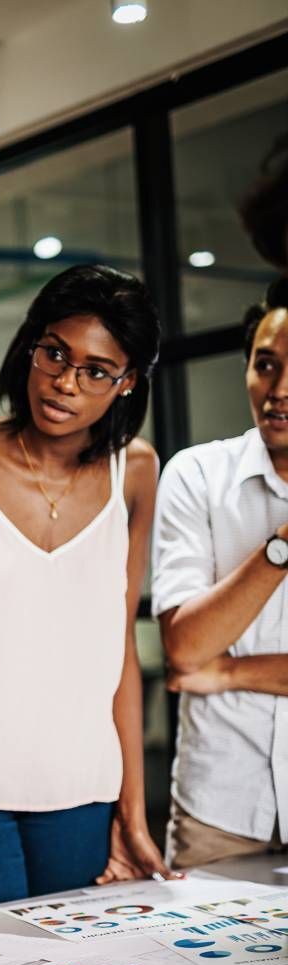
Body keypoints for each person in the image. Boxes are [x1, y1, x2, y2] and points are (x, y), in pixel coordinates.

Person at [0, 264, 174, 910]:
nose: (64, 383)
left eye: (96, 370)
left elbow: (120, 652)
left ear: (128, 381)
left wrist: (132, 809)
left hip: (84, 791)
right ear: (30, 344)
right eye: (54, 353)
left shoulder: (135, 471)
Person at [153, 278, 288, 869]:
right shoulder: (197, 476)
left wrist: (228, 670)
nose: (278, 390)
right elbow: (186, 649)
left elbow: (208, 660)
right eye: (266, 365)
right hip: (220, 810)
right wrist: (280, 547)